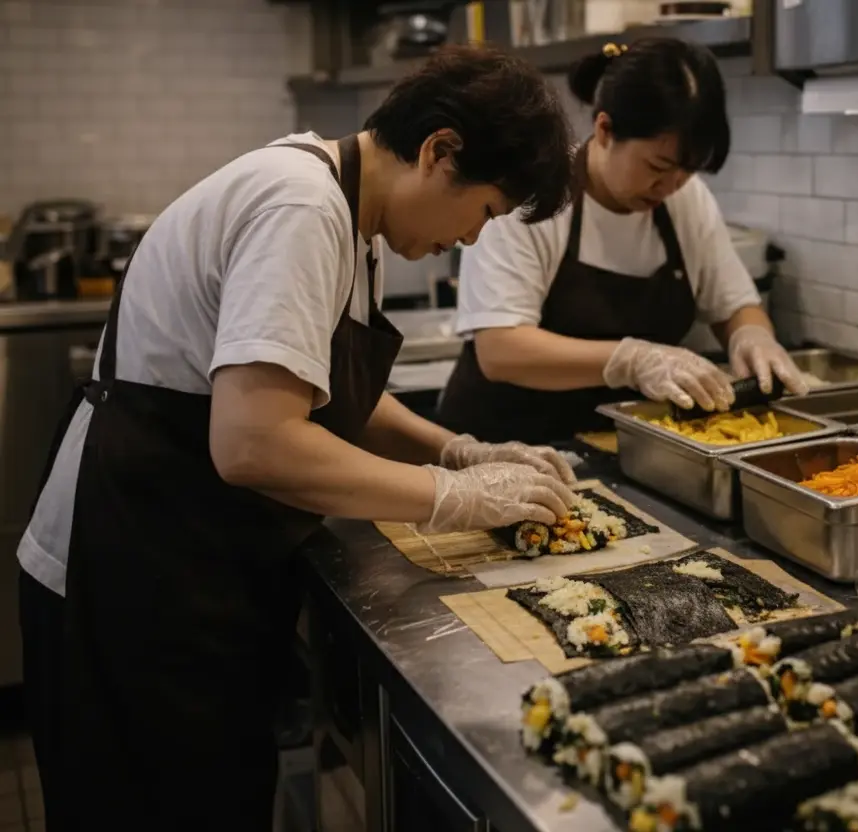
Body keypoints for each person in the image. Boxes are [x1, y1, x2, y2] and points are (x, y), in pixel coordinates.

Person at [18, 45, 576, 830]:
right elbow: (255, 444)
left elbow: (320, 392)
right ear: (438, 150)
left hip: (187, 564)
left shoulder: (350, 215)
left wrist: (457, 449)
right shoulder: (302, 206)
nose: (473, 240)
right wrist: (451, 497)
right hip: (129, 574)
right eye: (483, 212)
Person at [437, 38, 808, 444]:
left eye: (686, 172)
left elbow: (735, 304)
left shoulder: (685, 200)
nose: (670, 186)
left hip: (619, 448)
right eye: (658, 166)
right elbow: (501, 349)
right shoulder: (535, 194)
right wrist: (631, 360)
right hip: (502, 446)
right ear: (605, 129)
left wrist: (753, 337)